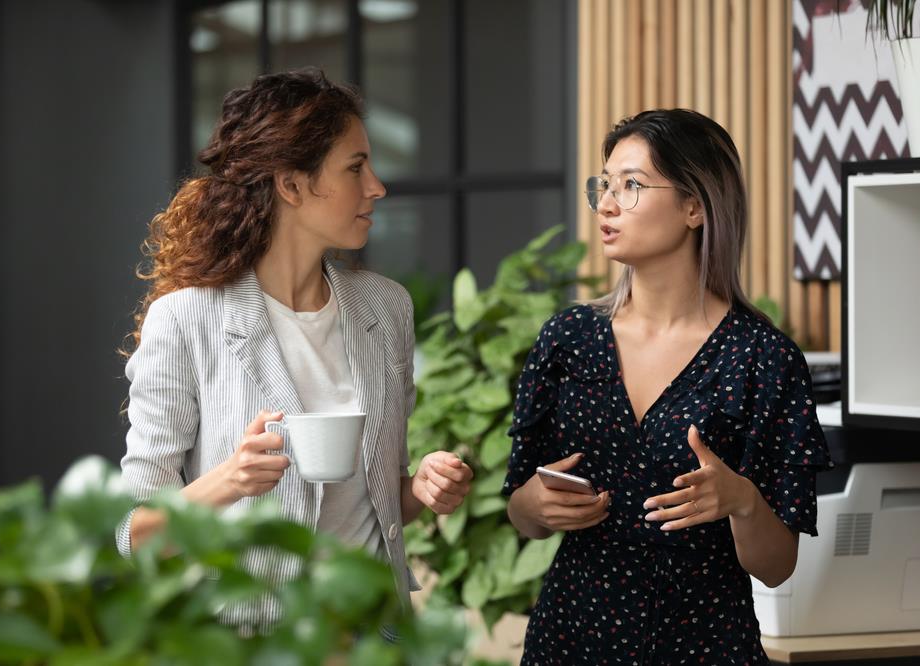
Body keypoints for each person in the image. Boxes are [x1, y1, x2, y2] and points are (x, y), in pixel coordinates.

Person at [116, 67, 473, 628]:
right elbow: (132, 533)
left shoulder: (386, 308)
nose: (377, 186)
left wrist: (422, 486)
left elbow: (378, 502)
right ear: (292, 184)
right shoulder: (185, 319)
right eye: (356, 167)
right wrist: (229, 480)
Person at [503, 109, 832, 664]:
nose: (606, 204)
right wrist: (535, 506)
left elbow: (777, 567)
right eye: (603, 185)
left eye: (631, 185)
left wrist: (742, 501)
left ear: (695, 206)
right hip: (571, 639)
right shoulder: (568, 339)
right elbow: (521, 511)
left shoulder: (763, 359)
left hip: (704, 645)